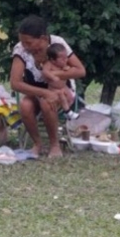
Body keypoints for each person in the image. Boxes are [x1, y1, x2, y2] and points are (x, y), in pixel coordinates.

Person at [9, 15, 86, 158]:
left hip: (61, 90)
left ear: (44, 39)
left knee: (46, 102)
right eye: (22, 42)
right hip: (35, 91)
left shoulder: (58, 44)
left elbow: (80, 70)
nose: (25, 46)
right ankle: (37, 143)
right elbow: (15, 83)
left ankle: (54, 144)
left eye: (29, 42)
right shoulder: (20, 50)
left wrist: (53, 74)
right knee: (25, 105)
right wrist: (43, 92)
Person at [44, 43, 80, 120]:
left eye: (66, 57)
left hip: (63, 86)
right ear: (52, 60)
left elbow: (70, 69)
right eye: (62, 59)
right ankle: (68, 112)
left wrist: (67, 68)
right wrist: (52, 76)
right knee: (62, 96)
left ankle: (66, 111)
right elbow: (45, 72)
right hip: (54, 89)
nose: (66, 60)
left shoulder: (62, 65)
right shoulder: (49, 64)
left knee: (70, 97)